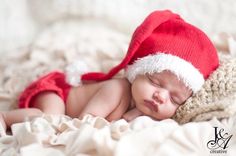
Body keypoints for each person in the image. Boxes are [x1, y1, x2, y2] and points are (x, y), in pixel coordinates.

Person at [0, 10, 219, 136]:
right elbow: (87, 119)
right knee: (50, 120)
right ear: (136, 74)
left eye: (175, 98)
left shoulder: (147, 109)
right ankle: (5, 118)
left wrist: (134, 117)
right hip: (58, 94)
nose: (161, 96)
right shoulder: (117, 89)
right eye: (155, 82)